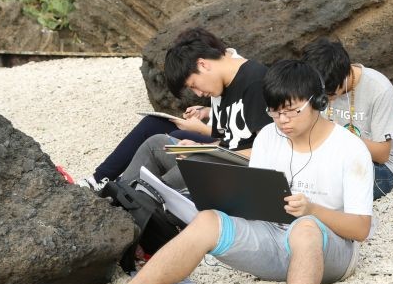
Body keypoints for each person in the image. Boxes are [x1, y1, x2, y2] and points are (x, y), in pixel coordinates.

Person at [78, 60, 374, 284]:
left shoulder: (350, 149)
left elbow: (360, 229)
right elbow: (257, 200)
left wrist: (312, 209)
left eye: (291, 111)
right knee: (208, 220)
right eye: (274, 112)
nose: (282, 121)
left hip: (329, 252)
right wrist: (226, 198)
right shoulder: (269, 136)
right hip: (274, 241)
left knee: (306, 226)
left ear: (318, 102)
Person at [77, 27, 268, 190]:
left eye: (194, 85)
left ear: (202, 64)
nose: (198, 93)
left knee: (196, 162)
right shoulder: (221, 83)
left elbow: (269, 152)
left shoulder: (254, 82)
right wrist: (203, 146)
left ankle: (139, 198)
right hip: (222, 158)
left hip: (239, 172)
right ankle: (117, 191)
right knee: (156, 143)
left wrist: (206, 149)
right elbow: (230, 140)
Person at [301, 37, 393, 200]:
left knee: (326, 189)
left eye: (330, 94)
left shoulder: (379, 89)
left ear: (345, 76)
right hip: (329, 160)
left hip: (378, 167)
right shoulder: (316, 85)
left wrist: (339, 135)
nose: (324, 99)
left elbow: (383, 154)